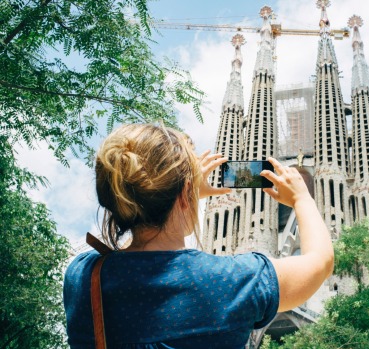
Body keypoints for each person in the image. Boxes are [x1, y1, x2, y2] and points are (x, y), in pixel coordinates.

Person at [63, 123, 333, 348]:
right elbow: (320, 263)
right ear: (184, 194)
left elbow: (136, 264)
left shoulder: (83, 276)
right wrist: (302, 198)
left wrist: (183, 194)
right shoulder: (231, 282)